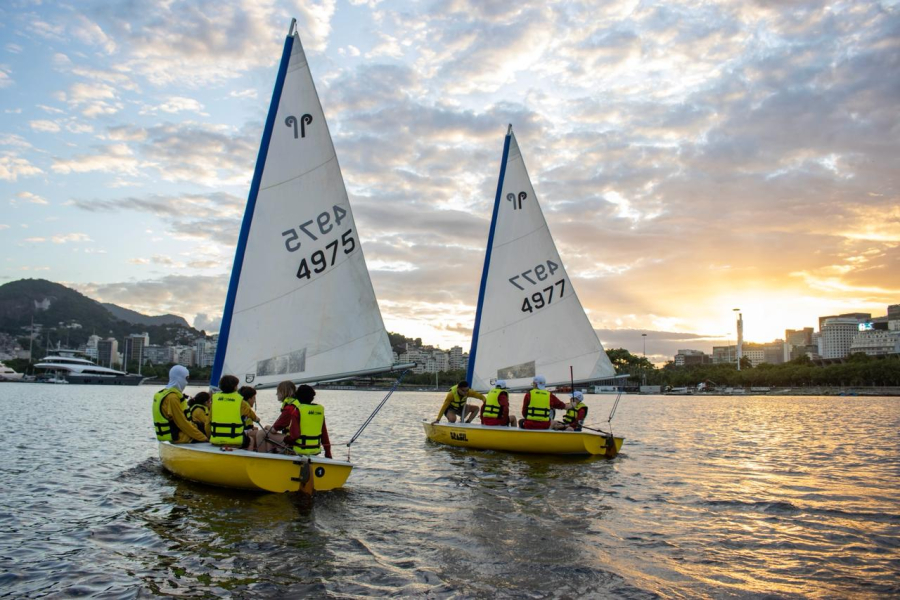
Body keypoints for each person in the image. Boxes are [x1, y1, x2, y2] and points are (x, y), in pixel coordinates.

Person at [257, 382, 333, 458]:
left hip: (296, 445)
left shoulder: (296, 410)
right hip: (313, 448)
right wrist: (328, 453)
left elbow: (294, 436)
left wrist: (286, 442)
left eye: (278, 392)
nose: (276, 394)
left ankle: (262, 462)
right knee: (273, 442)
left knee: (261, 433)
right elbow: (324, 435)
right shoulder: (319, 411)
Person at [152, 365, 207, 443]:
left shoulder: (163, 394)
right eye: (186, 378)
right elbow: (182, 423)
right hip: (179, 437)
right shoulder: (172, 398)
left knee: (203, 425)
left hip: (176, 434)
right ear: (179, 378)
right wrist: (203, 438)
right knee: (208, 429)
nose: (187, 382)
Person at [209, 374, 259, 448]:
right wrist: (257, 419)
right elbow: (252, 415)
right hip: (235, 441)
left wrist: (208, 437)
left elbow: (208, 422)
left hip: (216, 439)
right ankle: (247, 457)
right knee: (251, 440)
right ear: (235, 387)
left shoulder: (214, 400)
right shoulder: (240, 401)